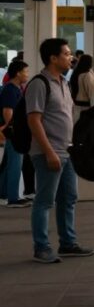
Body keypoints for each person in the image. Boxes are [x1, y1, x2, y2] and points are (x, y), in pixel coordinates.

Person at [27, 38, 93, 263]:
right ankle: (41, 247)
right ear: (53, 58)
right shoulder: (39, 84)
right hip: (49, 152)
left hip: (67, 151)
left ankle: (68, 243)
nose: (70, 57)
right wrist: (48, 152)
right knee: (45, 201)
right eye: (66, 54)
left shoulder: (64, 82)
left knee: (69, 198)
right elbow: (34, 120)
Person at [0, 61, 31, 207]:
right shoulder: (10, 90)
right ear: (18, 73)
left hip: (15, 131)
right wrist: (13, 128)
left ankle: (3, 193)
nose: (27, 74)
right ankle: (13, 198)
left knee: (9, 163)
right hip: (15, 132)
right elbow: (7, 111)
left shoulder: (17, 88)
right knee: (15, 164)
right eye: (25, 71)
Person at [70, 54, 94, 124]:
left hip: (75, 105)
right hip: (86, 108)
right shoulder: (87, 75)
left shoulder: (75, 73)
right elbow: (93, 94)